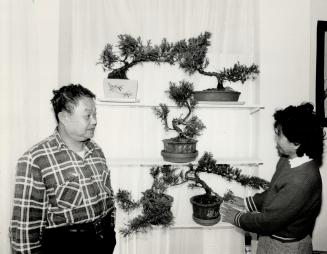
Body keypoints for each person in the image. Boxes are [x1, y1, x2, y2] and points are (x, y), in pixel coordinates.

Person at [9, 84, 116, 254]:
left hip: (103, 243)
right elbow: (25, 229)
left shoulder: (96, 150)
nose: (94, 121)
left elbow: (109, 203)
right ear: (64, 117)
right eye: (87, 116)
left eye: (95, 115)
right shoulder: (35, 159)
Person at [220, 102, 324, 254]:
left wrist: (238, 218)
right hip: (271, 237)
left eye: (279, 134)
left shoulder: (301, 181)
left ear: (296, 143)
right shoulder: (287, 160)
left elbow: (269, 221)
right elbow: (275, 193)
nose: (276, 139)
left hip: (286, 247)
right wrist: (249, 203)